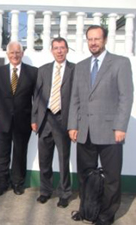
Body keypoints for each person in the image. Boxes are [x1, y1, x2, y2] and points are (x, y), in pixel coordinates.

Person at [68, 25, 133, 225]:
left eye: (97, 39)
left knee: (111, 178)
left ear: (104, 40)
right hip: (84, 131)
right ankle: (88, 210)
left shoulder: (120, 63)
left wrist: (121, 126)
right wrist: (72, 125)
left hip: (111, 131)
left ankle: (105, 215)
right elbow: (75, 99)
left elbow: (126, 97)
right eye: (90, 39)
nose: (93, 42)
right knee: (85, 175)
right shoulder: (80, 66)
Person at [0, 41, 38, 196]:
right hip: (1, 120)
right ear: (7, 54)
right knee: (2, 154)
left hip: (24, 121)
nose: (15, 55)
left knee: (20, 154)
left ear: (22, 54)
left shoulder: (32, 72)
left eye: (18, 52)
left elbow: (37, 99)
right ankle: (2, 184)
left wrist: (35, 119)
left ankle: (17, 183)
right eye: (12, 52)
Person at [31, 37, 75, 208]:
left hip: (64, 119)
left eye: (62, 47)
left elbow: (77, 98)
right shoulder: (43, 70)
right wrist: (34, 119)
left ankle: (65, 193)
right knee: (44, 158)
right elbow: (36, 97)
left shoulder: (75, 70)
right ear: (51, 50)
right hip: (45, 119)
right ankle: (45, 191)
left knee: (64, 159)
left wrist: (74, 123)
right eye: (56, 48)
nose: (59, 51)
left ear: (67, 49)